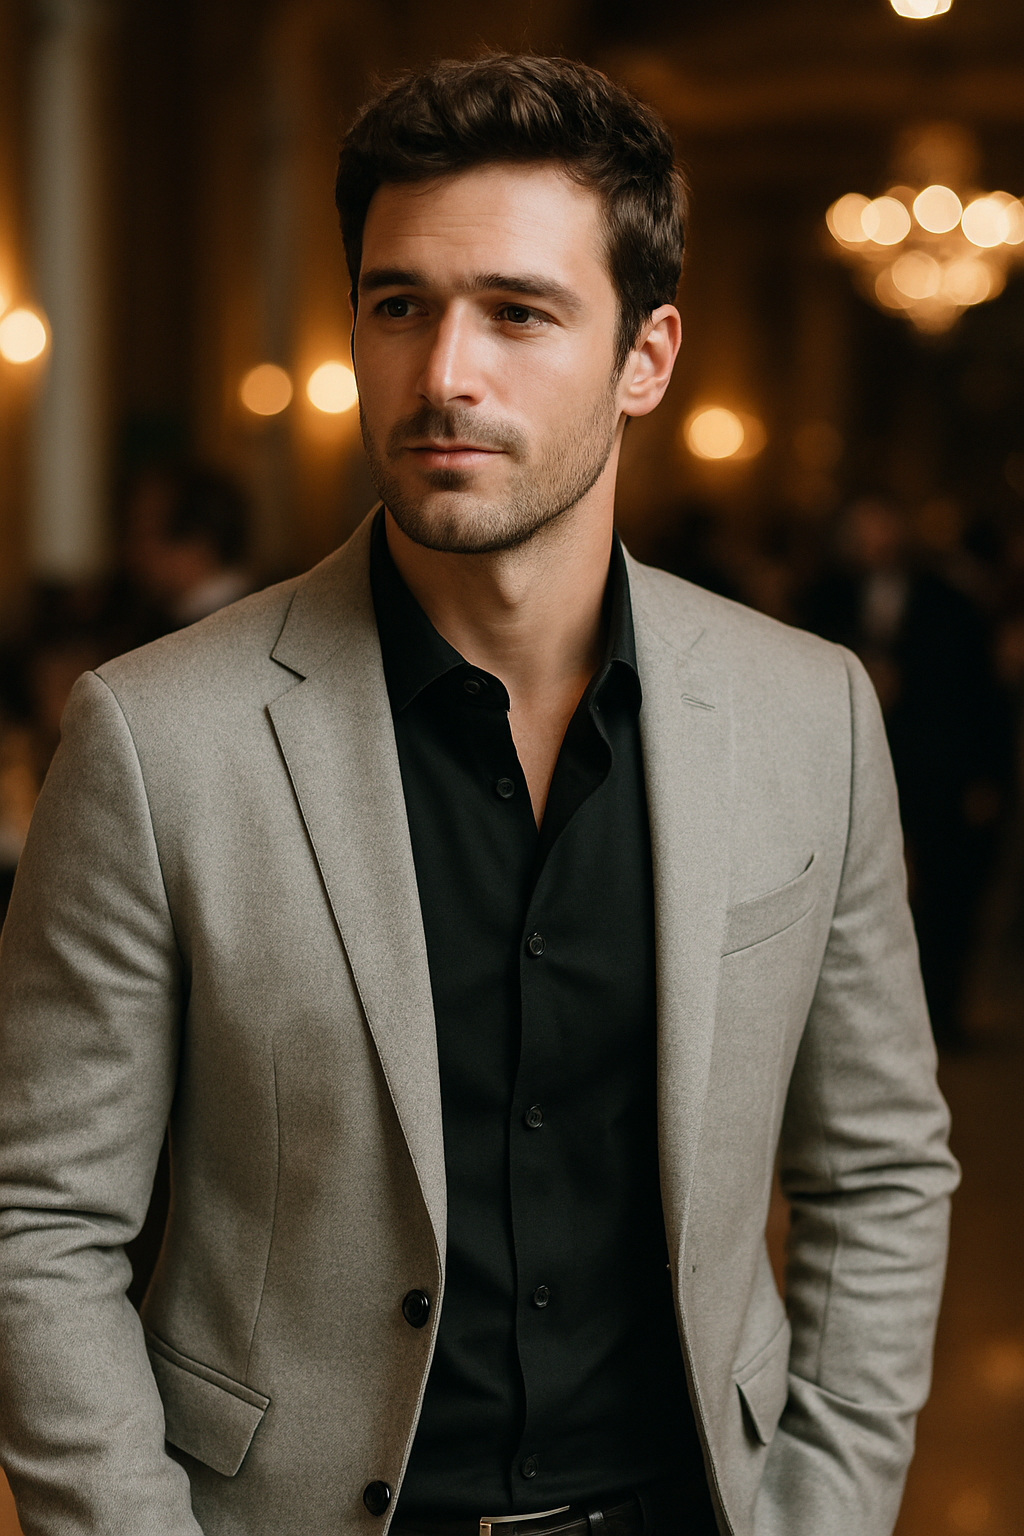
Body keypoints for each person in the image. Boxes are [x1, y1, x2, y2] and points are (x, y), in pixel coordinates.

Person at [0, 53, 958, 1536]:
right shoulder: (155, 737)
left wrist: (820, 1511)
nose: (446, 372)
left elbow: (880, 1171)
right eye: (400, 305)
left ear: (646, 357)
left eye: (518, 311)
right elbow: (40, 1221)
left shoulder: (808, 715)